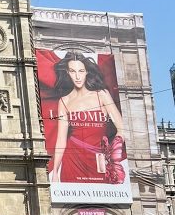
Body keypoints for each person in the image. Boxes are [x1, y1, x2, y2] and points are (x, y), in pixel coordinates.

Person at [48, 52, 126, 184]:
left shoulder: (101, 95)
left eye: (81, 71)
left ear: (87, 72)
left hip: (99, 161)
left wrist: (114, 158)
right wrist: (55, 172)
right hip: (72, 162)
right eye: (73, 71)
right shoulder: (64, 101)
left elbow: (121, 129)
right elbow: (61, 140)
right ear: (67, 72)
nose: (77, 76)